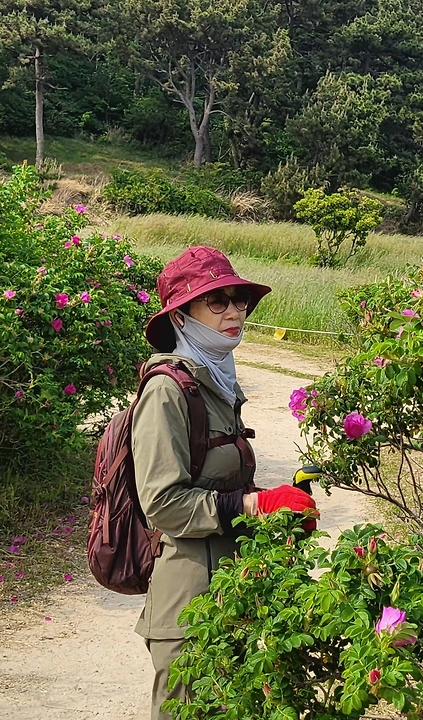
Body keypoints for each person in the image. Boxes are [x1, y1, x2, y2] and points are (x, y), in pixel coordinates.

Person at [131, 246, 318, 719]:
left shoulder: (216, 382)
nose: (234, 312)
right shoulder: (167, 390)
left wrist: (281, 510)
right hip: (189, 605)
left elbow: (223, 481)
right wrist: (251, 506)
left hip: (233, 592)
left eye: (240, 300)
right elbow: (162, 503)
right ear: (180, 316)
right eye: (217, 301)